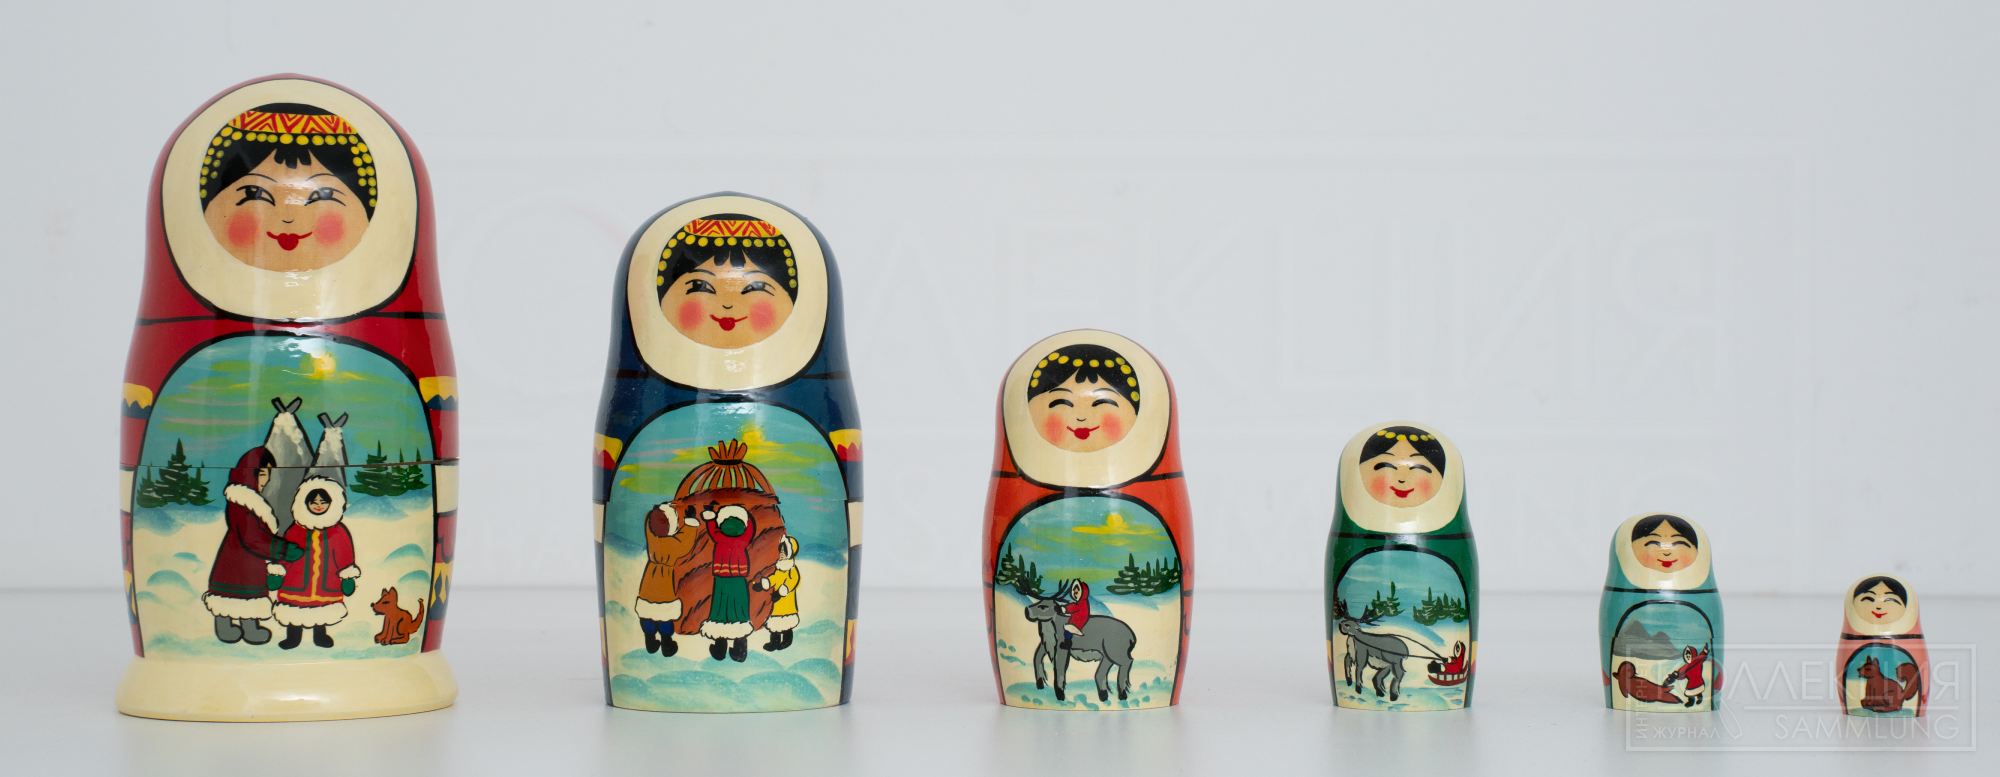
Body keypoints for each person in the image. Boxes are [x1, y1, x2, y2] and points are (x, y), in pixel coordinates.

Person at [204, 447, 300, 645]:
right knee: (230, 595)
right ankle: (225, 626)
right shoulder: (242, 502)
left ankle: (248, 628)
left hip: (249, 561)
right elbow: (252, 537)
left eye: (268, 474)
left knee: (248, 595)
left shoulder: (252, 502)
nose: (266, 480)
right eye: (262, 473)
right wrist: (282, 550)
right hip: (237, 560)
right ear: (250, 473)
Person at [756, 536, 802, 651]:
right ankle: (774, 643)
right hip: (776, 604)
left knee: (787, 623)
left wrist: (781, 592)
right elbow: (773, 578)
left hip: (787, 603)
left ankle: (786, 641)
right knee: (775, 624)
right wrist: (763, 584)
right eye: (780, 550)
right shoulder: (779, 569)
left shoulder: (791, 569)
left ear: (790, 553)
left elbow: (793, 581)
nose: (781, 553)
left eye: (784, 551)